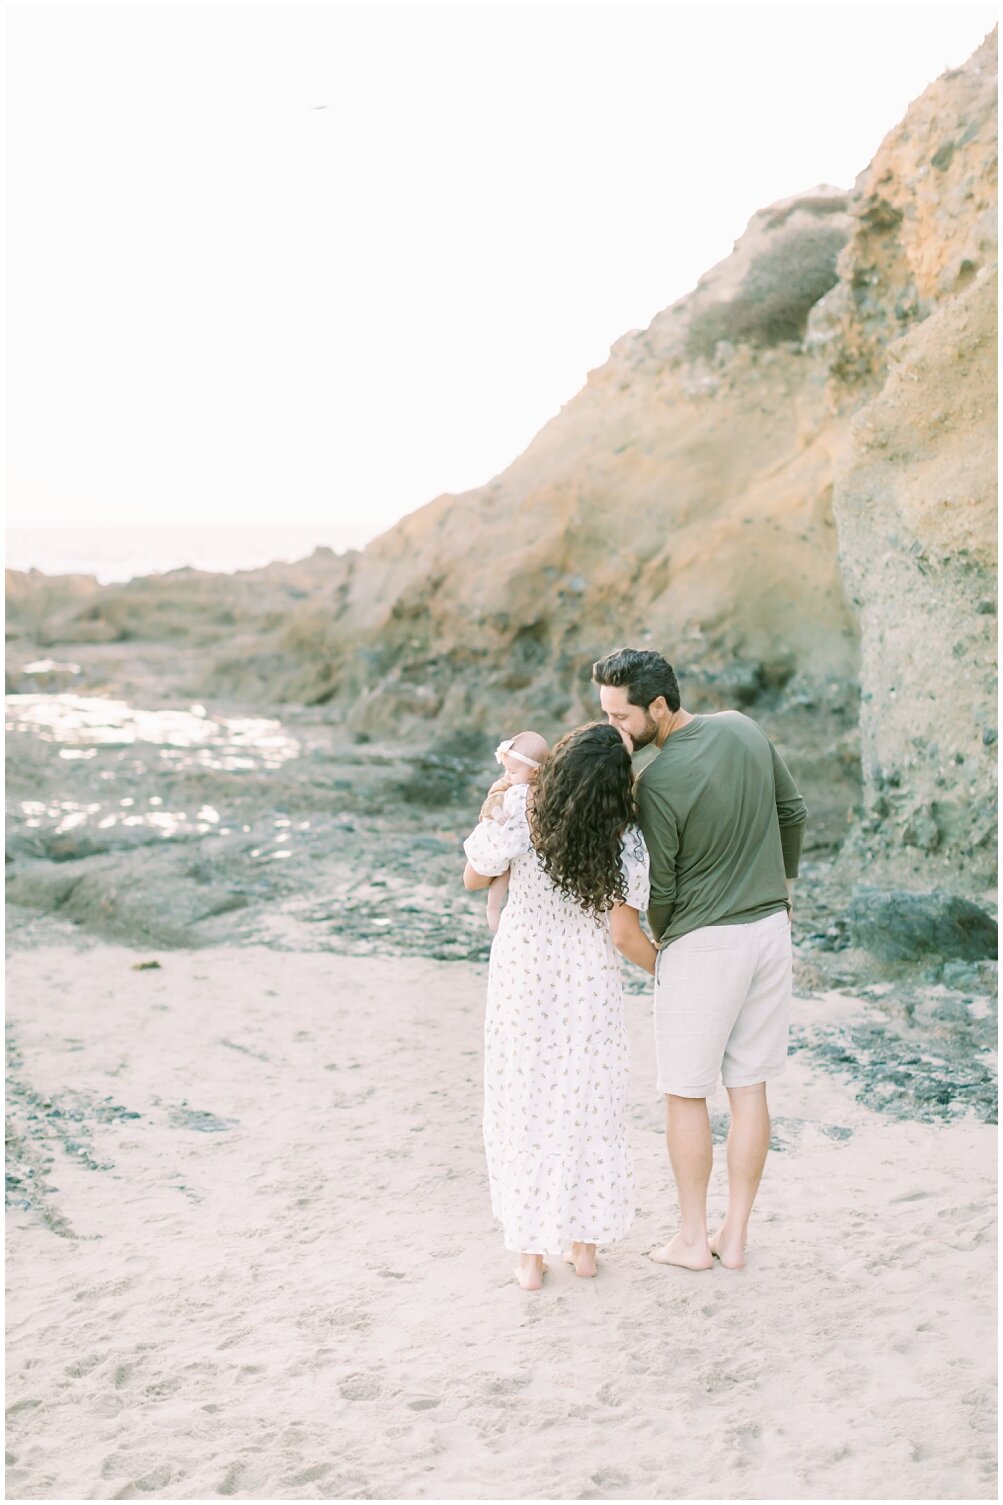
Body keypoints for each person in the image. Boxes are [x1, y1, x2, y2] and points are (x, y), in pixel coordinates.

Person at [593, 647, 807, 1272]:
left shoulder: (654, 781)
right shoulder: (744, 726)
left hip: (702, 944)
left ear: (658, 706)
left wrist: (665, 946)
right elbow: (791, 812)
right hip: (770, 930)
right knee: (748, 1086)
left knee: (686, 1094)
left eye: (621, 717)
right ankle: (733, 1236)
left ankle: (692, 1237)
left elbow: (663, 890)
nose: (614, 729)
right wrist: (779, 887)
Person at [462, 722, 656, 1291]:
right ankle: (585, 1247)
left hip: (524, 974)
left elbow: (475, 877)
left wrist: (492, 812)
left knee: (525, 1100)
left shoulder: (523, 809)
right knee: (585, 1098)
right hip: (586, 979)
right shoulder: (623, 836)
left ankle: (529, 1257)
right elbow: (624, 934)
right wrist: (667, 970)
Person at [476, 731, 549, 934]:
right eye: (506, 770)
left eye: (513, 772)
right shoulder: (507, 784)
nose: (507, 776)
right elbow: (494, 796)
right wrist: (497, 809)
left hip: (531, 845)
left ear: (535, 773)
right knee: (505, 871)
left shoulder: (544, 787)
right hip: (507, 835)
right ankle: (492, 907)